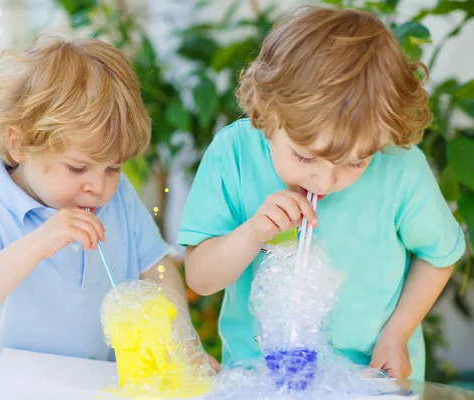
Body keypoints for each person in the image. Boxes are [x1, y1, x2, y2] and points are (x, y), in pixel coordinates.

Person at [178, 5, 465, 380]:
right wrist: (253, 233)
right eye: (304, 156)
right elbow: (200, 279)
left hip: (370, 378)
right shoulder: (233, 155)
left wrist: (397, 334)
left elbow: (439, 255)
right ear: (267, 114)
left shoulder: (398, 166)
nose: (325, 181)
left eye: (356, 162)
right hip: (259, 377)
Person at [0, 29, 189, 369]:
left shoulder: (119, 199)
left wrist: (183, 348)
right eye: (78, 167)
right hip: (2, 389)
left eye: (113, 168)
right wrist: (39, 243)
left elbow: (156, 267)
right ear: (20, 145)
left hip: (96, 385)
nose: (98, 187)